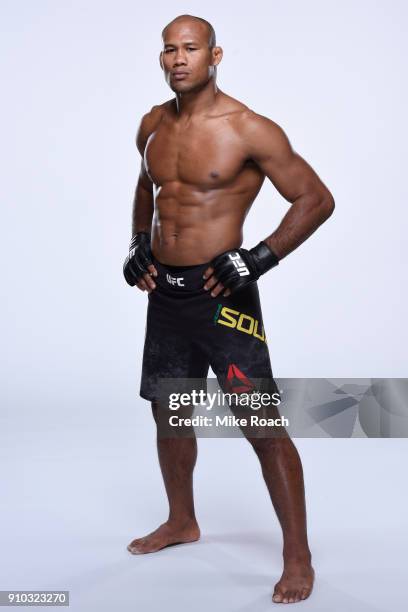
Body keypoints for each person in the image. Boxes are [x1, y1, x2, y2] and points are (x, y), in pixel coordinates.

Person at [123, 14, 335, 605]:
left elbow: (316, 199)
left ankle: (298, 556)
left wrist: (259, 259)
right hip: (165, 296)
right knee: (171, 413)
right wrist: (139, 242)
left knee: (261, 426)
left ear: (215, 55)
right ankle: (182, 520)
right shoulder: (151, 126)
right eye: (169, 49)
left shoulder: (249, 128)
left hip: (224, 299)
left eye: (190, 48)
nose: (178, 59)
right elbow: (149, 188)